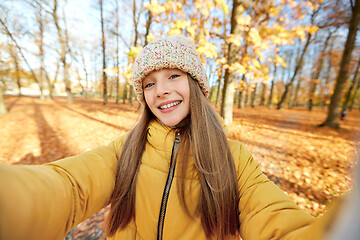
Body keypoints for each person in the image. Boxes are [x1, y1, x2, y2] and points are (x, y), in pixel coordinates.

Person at [0, 35, 338, 240]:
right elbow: (70, 186)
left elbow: (278, 222)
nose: (160, 91)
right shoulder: (126, 149)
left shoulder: (236, 160)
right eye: (149, 83)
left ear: (195, 85)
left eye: (173, 75)